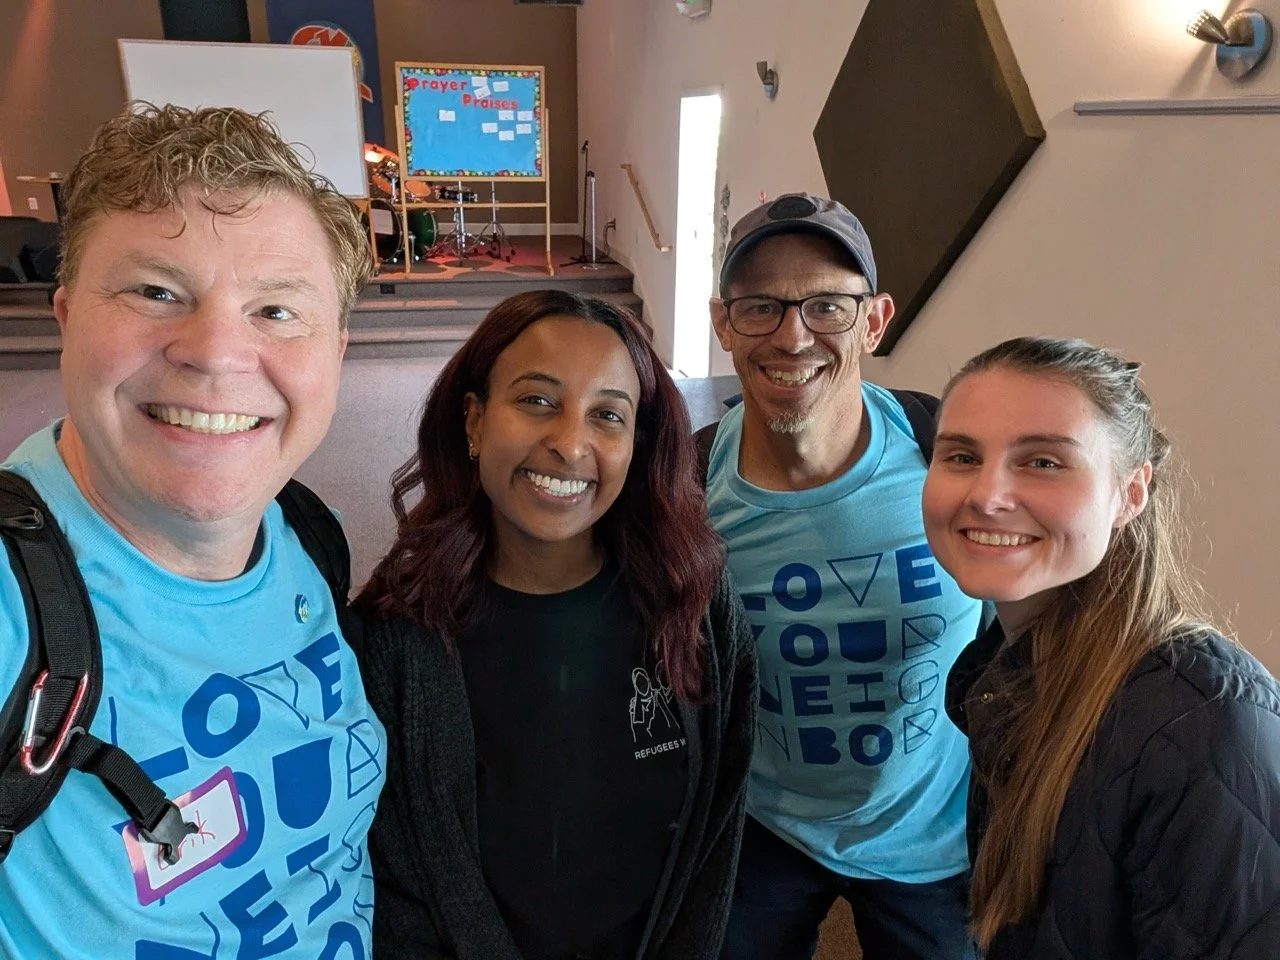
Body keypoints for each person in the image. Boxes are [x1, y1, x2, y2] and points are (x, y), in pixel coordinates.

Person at [0, 104, 385, 957]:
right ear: (65, 316)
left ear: (339, 349)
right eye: (154, 291)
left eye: (277, 310)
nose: (215, 351)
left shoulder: (304, 532)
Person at [354, 290, 757, 960]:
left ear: (637, 443)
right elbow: (395, 883)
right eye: (537, 400)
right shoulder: (395, 640)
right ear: (474, 419)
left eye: (608, 415)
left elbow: (716, 828)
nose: (570, 443)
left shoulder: (695, 600)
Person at [925, 336, 1280, 959]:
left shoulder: (1200, 726)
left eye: (1042, 462)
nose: (986, 495)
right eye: (960, 456)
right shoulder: (1016, 676)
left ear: (1130, 493)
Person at [707, 193, 982, 960]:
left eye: (827, 304)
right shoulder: (686, 485)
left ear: (874, 319)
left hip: (931, 831)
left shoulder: (948, 457)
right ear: (724, 323)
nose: (793, 336)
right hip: (766, 823)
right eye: (760, 306)